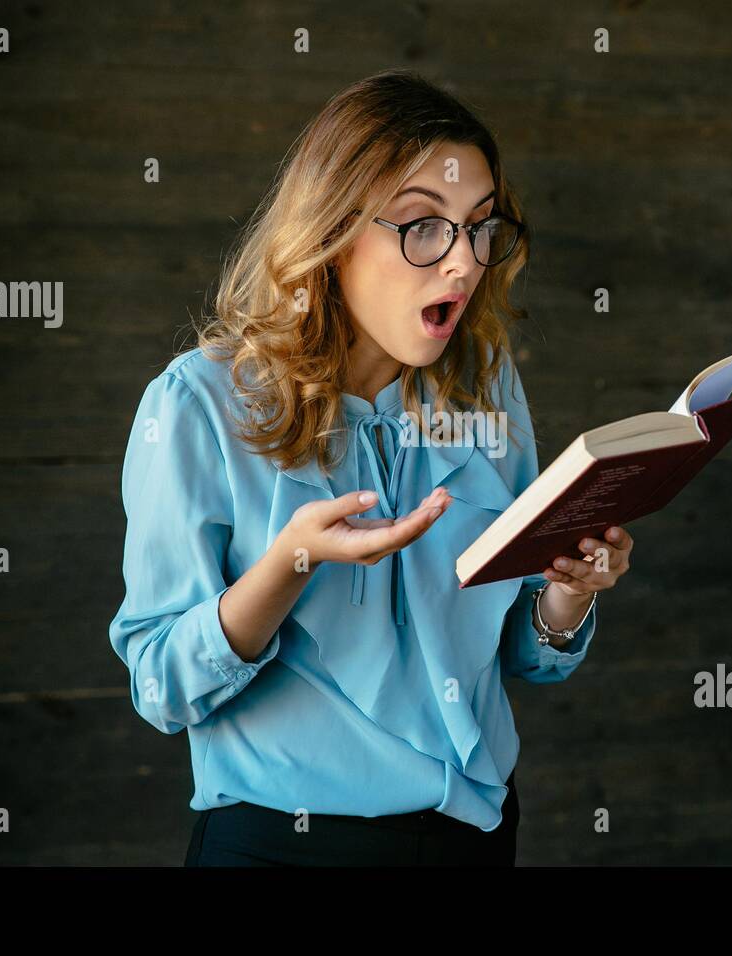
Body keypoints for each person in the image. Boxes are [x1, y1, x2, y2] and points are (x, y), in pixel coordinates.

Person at [109, 69, 634, 867]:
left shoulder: (486, 389)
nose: (463, 264)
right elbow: (161, 689)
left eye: (481, 227)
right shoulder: (197, 404)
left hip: (475, 841)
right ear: (333, 231)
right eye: (424, 227)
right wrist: (292, 562)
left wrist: (566, 594)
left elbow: (525, 658)